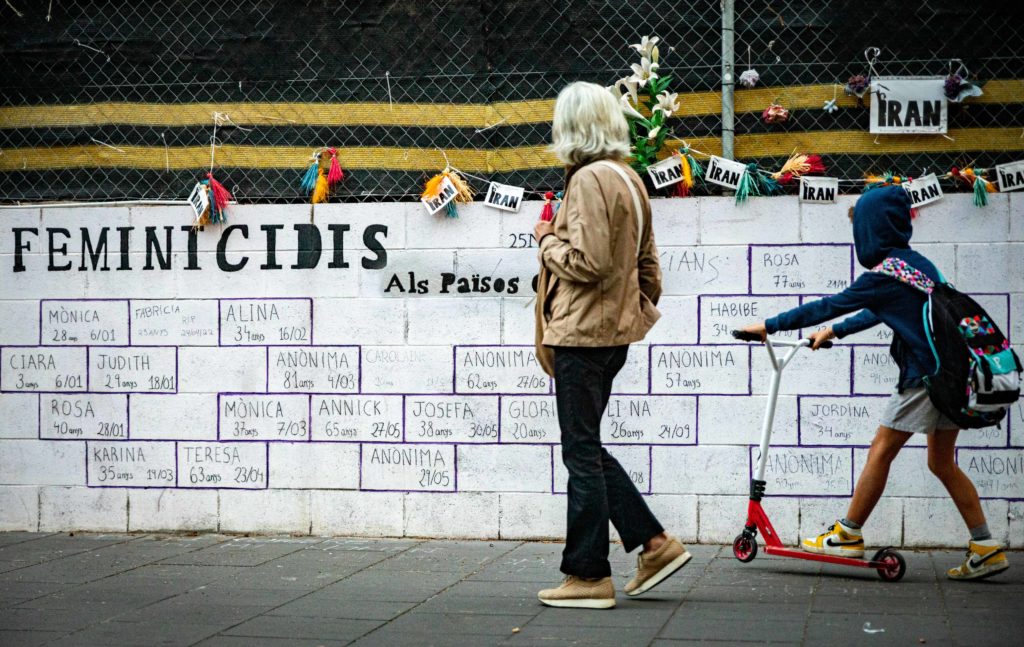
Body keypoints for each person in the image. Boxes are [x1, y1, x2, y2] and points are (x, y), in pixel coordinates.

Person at [741, 184, 1009, 581]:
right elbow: (879, 311)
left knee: (881, 450)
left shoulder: (884, 275)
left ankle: (848, 533)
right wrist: (836, 332)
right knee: (941, 462)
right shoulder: (919, 267)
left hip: (924, 380)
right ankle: (985, 546)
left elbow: (828, 305)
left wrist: (769, 325)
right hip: (953, 375)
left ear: (870, 230)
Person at [532, 81, 691, 610]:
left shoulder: (587, 180)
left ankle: (588, 575)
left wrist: (545, 237)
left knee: (580, 453)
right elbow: (649, 269)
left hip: (582, 334)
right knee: (589, 448)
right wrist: (632, 312)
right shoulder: (630, 177)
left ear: (571, 126)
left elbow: (588, 262)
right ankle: (655, 544)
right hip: (614, 334)